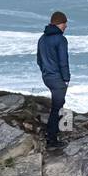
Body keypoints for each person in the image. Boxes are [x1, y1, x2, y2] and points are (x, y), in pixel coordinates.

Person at [36, 11, 71, 149]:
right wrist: (66, 78)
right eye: (65, 24)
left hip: (47, 77)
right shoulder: (61, 39)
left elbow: (39, 60)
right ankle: (52, 140)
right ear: (59, 24)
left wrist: (46, 72)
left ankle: (57, 132)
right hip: (57, 78)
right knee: (57, 107)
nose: (66, 26)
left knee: (59, 104)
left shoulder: (42, 39)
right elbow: (63, 61)